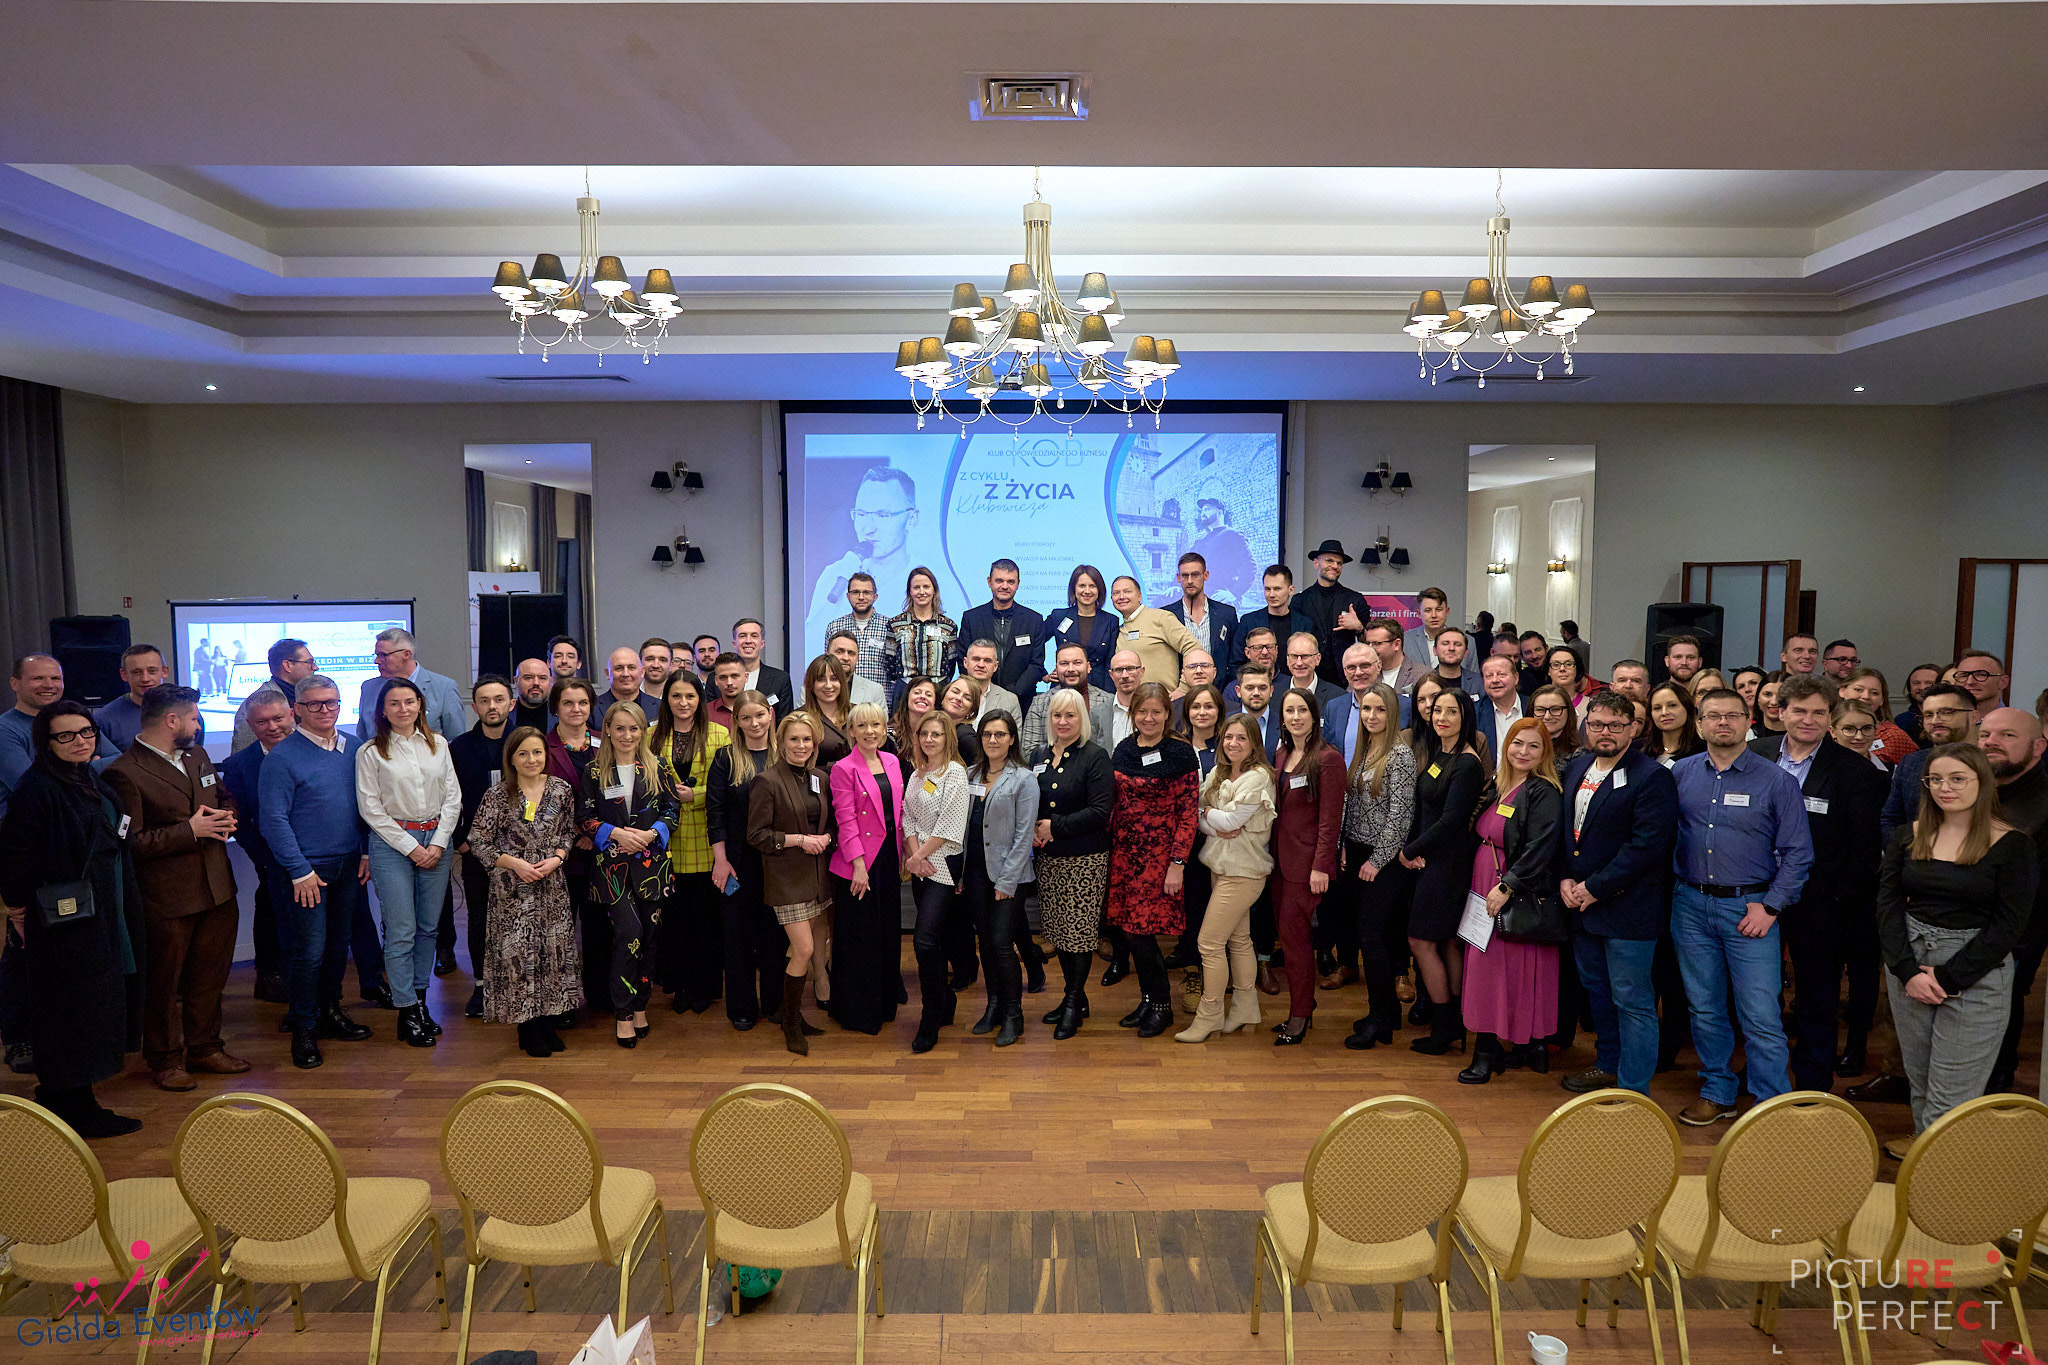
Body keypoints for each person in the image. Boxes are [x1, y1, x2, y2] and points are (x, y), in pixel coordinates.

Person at [1878, 744, 2037, 1156]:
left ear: (1982, 782)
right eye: (1935, 779)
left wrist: (1948, 977)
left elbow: (2010, 925)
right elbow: (1887, 906)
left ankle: (1938, 1176)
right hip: (1910, 963)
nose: (1945, 788)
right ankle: (1928, 1161)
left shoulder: (2012, 845)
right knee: (1920, 1078)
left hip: (1975, 969)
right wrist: (1907, 971)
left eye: (1957, 779)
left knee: (1952, 1092)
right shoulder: (1908, 835)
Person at [0, 701, 147, 1137]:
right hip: (66, 920)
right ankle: (72, 1107)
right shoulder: (38, 788)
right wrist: (17, 909)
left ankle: (70, 1099)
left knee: (92, 1007)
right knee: (72, 1011)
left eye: (85, 732)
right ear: (45, 743)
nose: (79, 741)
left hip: (103, 908)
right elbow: (14, 854)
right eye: (65, 735)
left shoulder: (84, 777)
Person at [1669, 688, 1814, 1125]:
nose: (1723, 723)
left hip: (1751, 909)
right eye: (1713, 716)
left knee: (1760, 1013)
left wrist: (1770, 907)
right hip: (1690, 906)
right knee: (1704, 1008)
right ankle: (1717, 1091)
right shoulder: (1680, 773)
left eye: (1732, 715)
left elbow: (1798, 853)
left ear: (1748, 722)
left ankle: (1770, 1104)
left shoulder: (1776, 780)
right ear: (1699, 724)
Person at [101, 684, 246, 1093]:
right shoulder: (124, 772)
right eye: (194, 718)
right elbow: (130, 843)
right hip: (167, 898)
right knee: (164, 984)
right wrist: (190, 831)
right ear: (172, 720)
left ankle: (205, 1047)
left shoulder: (197, 756)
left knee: (210, 976)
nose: (198, 725)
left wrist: (226, 816)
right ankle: (164, 1060)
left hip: (217, 887)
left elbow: (224, 796)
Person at [1747, 676, 1888, 1092]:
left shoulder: (1856, 771)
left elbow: (1864, 853)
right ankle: (1761, 1072)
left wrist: (1832, 901)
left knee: (1816, 997)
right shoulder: (1755, 754)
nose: (1808, 719)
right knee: (1758, 996)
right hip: (1754, 896)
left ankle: (1812, 1082)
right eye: (1799, 710)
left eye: (1818, 712)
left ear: (1830, 717)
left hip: (1820, 905)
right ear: (1781, 711)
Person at [1558, 691, 1679, 1095]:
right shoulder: (1578, 767)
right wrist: (1565, 878)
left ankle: (1633, 1088)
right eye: (1597, 724)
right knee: (1598, 992)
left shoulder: (1652, 776)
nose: (1605, 732)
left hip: (1629, 908)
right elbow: (1567, 834)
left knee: (1633, 1001)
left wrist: (1594, 887)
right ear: (1586, 727)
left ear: (1633, 728)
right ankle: (1608, 1064)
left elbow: (1646, 847)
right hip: (1581, 906)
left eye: (1615, 725)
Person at [256, 674, 375, 1071]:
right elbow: (273, 820)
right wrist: (299, 870)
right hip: (307, 872)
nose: (325, 710)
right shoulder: (282, 758)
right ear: (297, 710)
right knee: (308, 952)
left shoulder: (354, 748)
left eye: (332, 702)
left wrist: (365, 851)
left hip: (348, 864)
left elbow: (367, 805)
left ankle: (329, 1011)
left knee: (339, 945)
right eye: (315, 704)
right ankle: (303, 1026)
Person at [356, 676, 462, 1048]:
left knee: (428, 929)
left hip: (437, 841)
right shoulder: (371, 752)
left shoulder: (439, 745)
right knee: (401, 930)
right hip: (392, 844)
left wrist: (438, 842)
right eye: (394, 703)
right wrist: (411, 848)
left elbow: (453, 797)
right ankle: (406, 1011)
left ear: (420, 705)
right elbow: (370, 809)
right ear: (382, 711)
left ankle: (419, 1002)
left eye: (409, 701)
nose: (403, 709)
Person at [1457, 718, 1564, 1083]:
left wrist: (1507, 887)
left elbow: (1541, 848)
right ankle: (1511, 1048)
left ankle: (1487, 1054)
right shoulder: (1499, 784)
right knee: (1487, 968)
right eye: (1518, 743)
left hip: (1510, 891)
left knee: (1502, 971)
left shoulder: (1543, 792)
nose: (1523, 752)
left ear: (1545, 752)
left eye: (1534, 746)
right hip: (1484, 883)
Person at [465, 726, 580, 1058]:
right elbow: (478, 842)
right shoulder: (498, 795)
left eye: (538, 752)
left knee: (550, 954)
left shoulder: (560, 790)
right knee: (520, 957)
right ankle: (527, 1027)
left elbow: (567, 833)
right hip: (512, 889)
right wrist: (514, 863)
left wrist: (558, 858)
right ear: (512, 759)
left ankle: (546, 1023)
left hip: (551, 886)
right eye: (523, 753)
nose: (532, 759)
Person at [1104, 683, 1199, 1037]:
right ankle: (1148, 999)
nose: (1148, 718)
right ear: (1133, 714)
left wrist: (1178, 864)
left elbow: (1188, 813)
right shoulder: (1124, 749)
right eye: (1142, 711)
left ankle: (1162, 1006)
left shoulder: (1181, 753)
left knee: (1140, 932)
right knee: (1128, 932)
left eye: (1156, 712)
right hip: (1124, 855)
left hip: (1160, 858)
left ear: (1167, 714)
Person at [581, 702, 677, 1048]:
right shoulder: (594, 771)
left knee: (650, 940)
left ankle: (640, 1006)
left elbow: (672, 809)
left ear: (643, 731)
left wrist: (651, 835)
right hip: (613, 871)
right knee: (629, 936)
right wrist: (615, 833)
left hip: (652, 868)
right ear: (607, 730)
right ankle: (622, 1012)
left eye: (633, 728)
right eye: (619, 728)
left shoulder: (658, 767)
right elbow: (584, 817)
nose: (626, 735)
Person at [1176, 714, 1276, 1042]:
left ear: (1254, 744)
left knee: (1208, 943)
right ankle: (1246, 1008)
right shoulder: (1218, 772)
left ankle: (1210, 1015)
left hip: (1244, 872)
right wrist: (1211, 819)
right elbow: (1198, 814)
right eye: (1229, 737)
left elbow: (1233, 821)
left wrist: (1210, 814)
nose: (1233, 743)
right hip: (1219, 867)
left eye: (1242, 738)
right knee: (1239, 939)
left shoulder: (1258, 777)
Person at [1403, 689, 1487, 1056]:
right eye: (1438, 710)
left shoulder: (1467, 763)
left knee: (1421, 942)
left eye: (1452, 712)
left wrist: (1410, 850)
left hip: (1447, 863)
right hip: (1433, 859)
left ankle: (1445, 1023)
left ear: (1465, 716)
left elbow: (1452, 821)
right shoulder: (1442, 753)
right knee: (1448, 942)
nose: (1442, 717)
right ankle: (1452, 1021)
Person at [1335, 682, 1417, 1052]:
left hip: (1380, 859)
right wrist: (1343, 846)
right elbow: (1352, 804)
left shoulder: (1400, 755)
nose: (1372, 716)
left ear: (1392, 713)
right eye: (1366, 709)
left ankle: (1380, 1016)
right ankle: (1385, 1013)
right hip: (1356, 852)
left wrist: (1377, 860)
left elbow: (1401, 817)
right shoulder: (1365, 748)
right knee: (1367, 936)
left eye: (1380, 709)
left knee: (1372, 937)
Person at [1030, 689, 1116, 1039]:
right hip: (1049, 859)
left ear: (1083, 718)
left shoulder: (1096, 757)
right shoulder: (1039, 755)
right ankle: (1075, 998)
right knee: (1059, 933)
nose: (1063, 722)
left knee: (1079, 936)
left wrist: (1055, 827)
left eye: (1070, 715)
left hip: (1085, 860)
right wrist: (1033, 829)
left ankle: (1071, 1001)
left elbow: (1100, 811)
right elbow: (1033, 800)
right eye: (1057, 715)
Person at [748, 711, 835, 1055]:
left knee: (812, 946)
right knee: (804, 950)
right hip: (787, 879)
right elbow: (756, 835)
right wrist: (798, 840)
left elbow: (829, 822)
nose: (801, 745)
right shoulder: (767, 781)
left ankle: (790, 1013)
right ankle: (790, 1022)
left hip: (818, 877)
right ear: (781, 743)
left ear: (815, 743)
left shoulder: (820, 778)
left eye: (806, 739)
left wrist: (827, 837)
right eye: (794, 739)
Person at [706, 692, 788, 1033]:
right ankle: (741, 1008)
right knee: (737, 936)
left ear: (770, 715)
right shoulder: (725, 758)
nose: (755, 723)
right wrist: (721, 861)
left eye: (760, 715)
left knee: (775, 935)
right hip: (737, 862)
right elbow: (715, 813)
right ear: (736, 722)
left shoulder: (784, 754)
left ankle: (775, 1003)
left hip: (778, 861)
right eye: (746, 718)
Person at [650, 670, 730, 1016]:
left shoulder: (719, 733)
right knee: (674, 920)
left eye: (690, 696)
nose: (683, 703)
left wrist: (694, 796)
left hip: (706, 837)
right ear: (666, 699)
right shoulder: (652, 734)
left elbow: (726, 785)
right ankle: (679, 985)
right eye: (676, 696)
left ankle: (704, 987)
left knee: (705, 918)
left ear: (701, 699)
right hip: (665, 840)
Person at [1977, 708, 2048, 1095]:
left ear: (2038, 747)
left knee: (1996, 1029)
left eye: (2007, 735)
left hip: (2012, 944)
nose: (1991, 742)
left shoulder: (2043, 805)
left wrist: (2017, 950)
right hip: (1955, 936)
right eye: (1985, 734)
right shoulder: (1967, 791)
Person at [1269, 685, 1345, 1044]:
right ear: (1282, 718)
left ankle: (1299, 1014)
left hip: (1306, 866)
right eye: (1289, 711)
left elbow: (1330, 821)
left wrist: (1320, 866)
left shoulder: (1328, 759)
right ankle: (1303, 1003)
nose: (1296, 717)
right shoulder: (1282, 753)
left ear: (1315, 716)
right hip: (1278, 862)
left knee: (1296, 941)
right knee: (1287, 938)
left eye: (1302, 710)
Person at [963, 710, 1038, 1046]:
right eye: (987, 734)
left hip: (1009, 876)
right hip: (975, 872)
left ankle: (1012, 1013)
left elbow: (1024, 836)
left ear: (1012, 739)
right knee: (985, 942)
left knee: (1001, 944)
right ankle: (993, 1005)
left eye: (1000, 734)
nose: (993, 740)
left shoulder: (1024, 779)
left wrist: (1007, 882)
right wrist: (961, 874)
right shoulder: (970, 774)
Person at [898, 710, 970, 1051]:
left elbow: (950, 826)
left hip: (942, 863)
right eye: (924, 733)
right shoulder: (917, 774)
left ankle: (931, 1013)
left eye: (936, 734)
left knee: (924, 940)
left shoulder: (955, 773)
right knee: (934, 939)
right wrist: (915, 857)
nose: (929, 739)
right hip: (920, 865)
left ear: (947, 738)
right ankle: (945, 1000)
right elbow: (907, 816)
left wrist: (919, 856)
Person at [220, 687, 294, 1004]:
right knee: (271, 911)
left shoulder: (317, 751)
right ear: (251, 725)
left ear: (292, 714)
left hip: (319, 853)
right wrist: (263, 858)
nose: (272, 727)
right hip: (270, 857)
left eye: (278, 718)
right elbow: (240, 818)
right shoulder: (238, 765)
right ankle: (270, 975)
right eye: (262, 722)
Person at [448, 675, 514, 1017]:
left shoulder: (525, 742)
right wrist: (460, 840)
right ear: (474, 707)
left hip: (521, 849)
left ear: (511, 703)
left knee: (520, 917)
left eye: (499, 699)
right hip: (477, 850)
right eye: (485, 701)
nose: (492, 706)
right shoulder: (458, 748)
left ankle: (517, 983)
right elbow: (449, 797)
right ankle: (482, 985)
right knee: (480, 919)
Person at [544, 676, 606, 1015]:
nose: (576, 709)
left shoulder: (604, 742)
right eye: (568, 703)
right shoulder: (543, 747)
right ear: (556, 708)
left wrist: (593, 834)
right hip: (559, 856)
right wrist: (574, 835)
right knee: (560, 932)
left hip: (601, 853)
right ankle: (562, 1003)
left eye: (582, 703)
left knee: (598, 929)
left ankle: (598, 995)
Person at [808, 465, 923, 636]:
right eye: (861, 514)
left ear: (911, 519)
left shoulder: (930, 583)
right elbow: (811, 642)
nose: (868, 529)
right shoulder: (836, 575)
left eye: (883, 515)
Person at [3, 655, 119, 821]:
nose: (49, 685)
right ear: (14, 683)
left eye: (55, 678)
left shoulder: (73, 719)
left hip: (79, 816)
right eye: (37, 678)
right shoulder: (5, 730)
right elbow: (34, 786)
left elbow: (117, 760)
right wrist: (80, 764)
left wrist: (78, 767)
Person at [1882, 684, 1982, 842]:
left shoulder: (1990, 763)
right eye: (1928, 715)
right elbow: (1891, 820)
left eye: (1946, 713)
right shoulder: (1911, 763)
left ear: (1974, 716)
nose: (1935, 721)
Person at [958, 559, 1047, 704]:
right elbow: (963, 659)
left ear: (1018, 584)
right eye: (999, 581)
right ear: (989, 582)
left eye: (1010, 582)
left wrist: (1009, 695)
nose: (1005, 586)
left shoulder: (1034, 620)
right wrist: (982, 691)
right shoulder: (971, 618)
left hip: (1021, 700)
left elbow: (1036, 664)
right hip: (978, 698)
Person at [356, 628, 465, 742]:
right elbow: (362, 738)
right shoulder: (369, 688)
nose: (377, 661)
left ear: (406, 654)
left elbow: (456, 740)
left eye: (383, 655)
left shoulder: (444, 687)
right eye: (377, 655)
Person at [96, 645, 193, 754]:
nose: (145, 679)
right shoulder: (104, 719)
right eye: (137, 672)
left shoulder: (188, 713)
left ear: (164, 671)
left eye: (152, 671)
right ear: (124, 675)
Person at [1108, 575, 1199, 689]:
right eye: (1116, 593)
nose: (1121, 597)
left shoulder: (1161, 618)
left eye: (1127, 592)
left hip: (1164, 698)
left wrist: (1183, 688)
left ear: (1139, 595)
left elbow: (1193, 648)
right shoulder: (1118, 631)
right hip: (1132, 699)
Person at [1295, 540, 1368, 684]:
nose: (1335, 566)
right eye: (1329, 561)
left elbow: (1372, 643)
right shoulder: (1300, 600)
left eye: (1339, 563)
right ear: (1316, 563)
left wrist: (1359, 627)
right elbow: (1293, 640)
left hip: (1345, 677)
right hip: (1309, 674)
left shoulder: (1355, 599)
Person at [883, 568, 957, 705]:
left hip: (938, 692)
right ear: (909, 592)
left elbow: (951, 664)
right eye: (916, 587)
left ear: (934, 590)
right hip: (904, 692)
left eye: (926, 587)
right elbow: (890, 662)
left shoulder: (948, 626)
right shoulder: (895, 624)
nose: (921, 592)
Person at [1022, 645, 1114, 755]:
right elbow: (1028, 751)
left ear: (1088, 667)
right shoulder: (1040, 703)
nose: (1071, 669)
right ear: (1056, 669)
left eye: (1077, 663)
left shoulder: (1108, 701)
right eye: (1064, 664)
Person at [231, 638, 317, 751]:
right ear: (287, 665)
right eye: (309, 662)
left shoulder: (303, 697)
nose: (315, 667)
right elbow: (243, 756)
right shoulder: (255, 706)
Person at [1043, 564, 1117, 691]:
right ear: (1074, 589)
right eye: (1082, 586)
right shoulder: (1058, 616)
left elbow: (1110, 662)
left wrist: (1109, 696)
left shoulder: (1111, 621)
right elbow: (1035, 643)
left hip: (1098, 688)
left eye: (1092, 586)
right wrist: (1042, 673)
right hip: (1063, 687)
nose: (1087, 591)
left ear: (1099, 589)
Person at [1163, 551, 1240, 671]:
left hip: (1218, 682)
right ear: (1178, 578)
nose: (1189, 581)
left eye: (1195, 575)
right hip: (1180, 682)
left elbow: (1235, 659)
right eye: (1185, 575)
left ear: (1206, 575)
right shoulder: (1166, 615)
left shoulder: (1226, 614)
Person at [824, 572, 894, 699]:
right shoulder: (834, 627)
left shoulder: (890, 628)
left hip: (877, 702)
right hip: (842, 701)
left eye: (866, 592)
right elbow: (828, 665)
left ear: (875, 597)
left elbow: (892, 669)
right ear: (848, 596)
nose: (861, 597)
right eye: (856, 592)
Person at [1840, 668, 1917, 764]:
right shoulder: (1825, 730)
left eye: (1874, 693)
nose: (1866, 696)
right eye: (1858, 690)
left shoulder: (1894, 736)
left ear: (1882, 700)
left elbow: (1916, 767)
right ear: (1842, 691)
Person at [800, 655, 855, 769]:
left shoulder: (857, 713)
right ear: (811, 684)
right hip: (819, 779)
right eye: (821, 680)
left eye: (834, 679)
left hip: (858, 779)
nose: (829, 685)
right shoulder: (800, 719)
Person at [733, 618, 795, 720]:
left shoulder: (780, 679)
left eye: (754, 636)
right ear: (734, 643)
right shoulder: (715, 679)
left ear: (762, 643)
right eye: (742, 636)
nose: (748, 641)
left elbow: (785, 722)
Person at [808, 630, 886, 710]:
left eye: (851, 653)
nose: (846, 658)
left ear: (857, 658)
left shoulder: (875, 691)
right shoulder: (810, 689)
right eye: (839, 652)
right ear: (827, 654)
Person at [957, 639, 1023, 725]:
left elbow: (1014, 733)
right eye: (976, 659)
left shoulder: (1010, 701)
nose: (981, 665)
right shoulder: (950, 696)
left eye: (987, 660)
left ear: (995, 666)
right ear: (965, 662)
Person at [1404, 587, 1470, 673]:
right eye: (1428, 610)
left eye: (1439, 610)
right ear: (1419, 614)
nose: (1434, 615)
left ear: (1447, 611)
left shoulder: (1468, 641)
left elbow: (1472, 678)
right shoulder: (1405, 641)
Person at [1642, 680, 1704, 768]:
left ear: (1687, 708)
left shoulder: (1703, 752)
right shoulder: (1640, 749)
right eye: (1657, 708)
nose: (1664, 712)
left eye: (1672, 705)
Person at [1228, 663, 1284, 759]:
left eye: (1262, 688)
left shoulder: (1283, 725)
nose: (1256, 693)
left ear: (1271, 691)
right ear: (1238, 691)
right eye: (1250, 688)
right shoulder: (1224, 723)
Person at [1475, 653, 1523, 762]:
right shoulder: (1474, 712)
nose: (1495, 680)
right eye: (1489, 676)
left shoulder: (1533, 707)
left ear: (1515, 678)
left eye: (1501, 674)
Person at [1364, 617, 1429, 693]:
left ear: (1397, 644)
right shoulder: (1365, 674)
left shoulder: (1422, 675)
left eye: (1376, 643)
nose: (1370, 649)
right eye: (1368, 643)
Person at [1281, 632, 1343, 711]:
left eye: (1305, 656)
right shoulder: (1273, 693)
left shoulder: (1337, 697)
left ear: (1317, 659)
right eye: (1294, 656)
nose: (1299, 663)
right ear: (1287, 659)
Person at [1223, 627, 1279, 709]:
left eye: (1270, 646)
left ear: (1276, 650)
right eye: (1258, 647)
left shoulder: (1289, 684)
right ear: (1247, 652)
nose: (1265, 652)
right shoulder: (1232, 690)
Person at [602, 646, 658, 724]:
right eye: (619, 668)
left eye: (631, 667)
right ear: (607, 673)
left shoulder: (661, 708)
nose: (626, 674)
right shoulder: (592, 708)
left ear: (642, 672)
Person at [1103, 650, 1147, 748]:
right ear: (1111, 675)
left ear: (1142, 671)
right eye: (1118, 670)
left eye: (1130, 668)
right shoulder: (1098, 714)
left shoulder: (1155, 713)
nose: (1125, 675)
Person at [1530, 684, 1582, 764]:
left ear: (1569, 712)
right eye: (1540, 710)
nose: (1547, 716)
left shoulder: (1578, 755)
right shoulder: (1522, 749)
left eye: (1555, 709)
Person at [940, 675, 985, 768]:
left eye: (967, 698)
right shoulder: (932, 726)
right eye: (955, 692)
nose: (959, 698)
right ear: (944, 695)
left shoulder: (966, 737)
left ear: (971, 710)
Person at [890, 675, 940, 755]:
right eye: (917, 693)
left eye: (928, 695)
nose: (922, 696)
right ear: (907, 698)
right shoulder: (890, 735)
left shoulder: (940, 736)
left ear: (935, 704)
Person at [1897, 663, 1944, 746]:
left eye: (1929, 683)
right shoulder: (1901, 721)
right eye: (1917, 683)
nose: (1922, 687)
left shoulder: (1949, 718)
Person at [1431, 625, 1483, 699]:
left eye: (1457, 644)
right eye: (1445, 643)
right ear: (1435, 650)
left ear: (1465, 652)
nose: (1451, 648)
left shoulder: (1480, 682)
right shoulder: (1425, 682)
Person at [1954, 651, 2010, 719]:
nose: (1970, 682)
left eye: (1981, 675)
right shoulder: (1946, 721)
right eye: (1963, 676)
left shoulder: (2015, 722)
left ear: (2003, 682)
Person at [1546, 647, 1601, 716]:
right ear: (1548, 671)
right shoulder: (1538, 703)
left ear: (1577, 669)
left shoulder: (1592, 706)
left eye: (1568, 664)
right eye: (1556, 665)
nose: (1562, 669)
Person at [706, 652, 747, 733]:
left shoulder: (760, 710)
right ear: (716, 681)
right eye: (723, 677)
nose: (729, 683)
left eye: (735, 676)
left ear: (746, 677)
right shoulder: (705, 712)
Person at [512, 657, 554, 732]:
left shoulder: (561, 716)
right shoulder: (505, 715)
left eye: (542, 678)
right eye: (528, 678)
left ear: (550, 682)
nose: (536, 683)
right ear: (516, 681)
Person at [637, 638, 673, 712]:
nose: (656, 665)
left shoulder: (679, 699)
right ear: (640, 663)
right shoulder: (630, 697)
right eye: (649, 659)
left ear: (671, 665)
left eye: (662, 660)